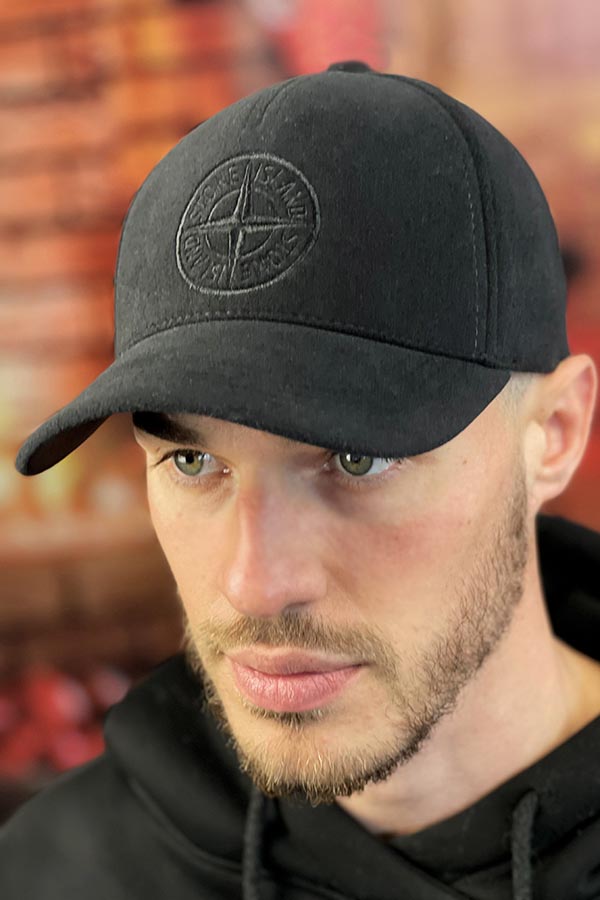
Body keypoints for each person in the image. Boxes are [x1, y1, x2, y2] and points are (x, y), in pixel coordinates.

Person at [2, 60, 600, 900]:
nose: (254, 585)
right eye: (193, 462)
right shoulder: (54, 872)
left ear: (555, 434)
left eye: (357, 458)